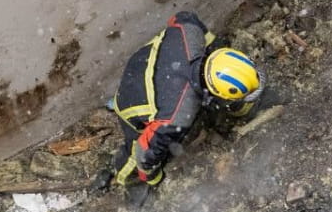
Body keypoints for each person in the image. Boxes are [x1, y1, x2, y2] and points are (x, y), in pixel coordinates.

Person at [102, 11, 263, 188]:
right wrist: (153, 178)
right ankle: (124, 178)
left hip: (141, 63)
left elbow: (182, 17)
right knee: (135, 153)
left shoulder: (190, 32)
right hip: (130, 103)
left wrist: (214, 45)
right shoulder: (179, 114)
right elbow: (145, 150)